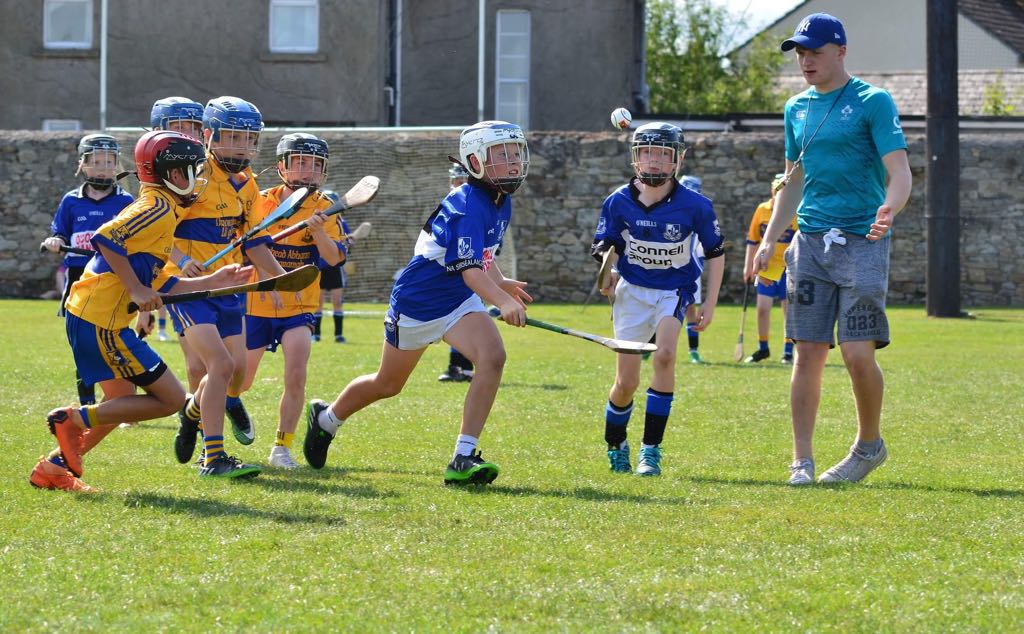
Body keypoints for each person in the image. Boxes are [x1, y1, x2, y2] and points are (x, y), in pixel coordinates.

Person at [303, 120, 532, 485]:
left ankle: (463, 457)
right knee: (388, 384)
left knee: (492, 358)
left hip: (457, 302)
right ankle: (327, 419)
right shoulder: (468, 205)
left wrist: (501, 281)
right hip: (417, 304)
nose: (513, 162)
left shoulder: (499, 200)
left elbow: (481, 257)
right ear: (475, 161)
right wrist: (502, 300)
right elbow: (471, 271)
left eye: (515, 152)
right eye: (501, 155)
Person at [30, 130, 252, 491]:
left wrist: (214, 280)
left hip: (94, 317)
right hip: (100, 320)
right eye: (196, 170)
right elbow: (104, 238)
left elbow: (165, 284)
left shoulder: (163, 208)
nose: (201, 179)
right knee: (171, 400)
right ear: (176, 176)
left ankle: (54, 468)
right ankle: (72, 419)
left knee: (120, 402)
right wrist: (135, 288)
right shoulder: (157, 208)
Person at [755, 13, 911, 485]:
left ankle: (868, 447)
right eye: (800, 53)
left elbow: (900, 171)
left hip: (863, 241)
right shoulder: (795, 109)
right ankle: (801, 460)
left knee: (858, 354)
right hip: (810, 244)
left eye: (815, 52)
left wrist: (890, 208)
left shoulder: (872, 102)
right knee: (806, 353)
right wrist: (769, 239)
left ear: (841, 52)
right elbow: (793, 180)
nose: (806, 61)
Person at [592, 123, 724, 477]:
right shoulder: (618, 201)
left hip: (673, 291)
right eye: (647, 153)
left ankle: (650, 451)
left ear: (677, 160)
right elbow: (608, 246)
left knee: (665, 356)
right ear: (636, 158)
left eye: (663, 154)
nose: (654, 161)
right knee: (627, 383)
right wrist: (607, 272)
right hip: (632, 292)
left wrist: (709, 303)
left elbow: (716, 252)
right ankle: (616, 443)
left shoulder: (695, 205)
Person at [166, 96, 287, 477]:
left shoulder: (248, 184)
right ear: (209, 135)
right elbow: (156, 227)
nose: (241, 147)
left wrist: (281, 277)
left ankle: (191, 413)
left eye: (248, 139)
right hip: (188, 286)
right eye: (232, 137)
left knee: (234, 372)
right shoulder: (192, 177)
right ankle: (213, 458)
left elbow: (252, 242)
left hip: (228, 286)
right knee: (217, 364)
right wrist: (184, 262)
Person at [239, 134, 344, 469]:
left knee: (296, 374)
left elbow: (335, 259)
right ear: (282, 165)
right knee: (240, 380)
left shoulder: (325, 208)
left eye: (315, 164)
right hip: (256, 303)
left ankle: (281, 448)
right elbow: (251, 248)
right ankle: (204, 415)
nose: (308, 170)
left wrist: (320, 232)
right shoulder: (262, 201)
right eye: (299, 161)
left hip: (299, 308)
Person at [41, 134, 134, 406]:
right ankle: (87, 406)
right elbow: (59, 232)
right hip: (77, 279)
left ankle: (124, 400)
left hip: (111, 279)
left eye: (109, 161)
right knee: (82, 346)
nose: (104, 167)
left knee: (116, 341)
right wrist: (56, 241)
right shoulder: (71, 201)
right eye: (96, 162)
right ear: (82, 164)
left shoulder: (125, 200)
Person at [742, 173, 798, 364]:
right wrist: (748, 266)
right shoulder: (762, 209)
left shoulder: (795, 211)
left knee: (788, 310)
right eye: (776, 192)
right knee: (762, 309)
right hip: (767, 266)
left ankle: (788, 351)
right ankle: (763, 348)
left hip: (788, 268)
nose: (779, 196)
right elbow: (753, 240)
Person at [438, 163, 475, 382]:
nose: (459, 184)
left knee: (463, 319)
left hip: (471, 271)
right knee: (454, 320)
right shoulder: (450, 204)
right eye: (456, 180)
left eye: (463, 180)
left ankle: (464, 368)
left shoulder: (475, 205)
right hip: (449, 273)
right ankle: (458, 367)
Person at [313, 190, 353, 344]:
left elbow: (345, 244)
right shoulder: (316, 220)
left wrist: (349, 243)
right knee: (319, 302)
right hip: (320, 267)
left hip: (335, 267)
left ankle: (338, 335)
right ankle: (316, 334)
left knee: (337, 301)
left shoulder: (342, 223)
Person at [679, 174, 707, 364]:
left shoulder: (702, 214)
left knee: (690, 308)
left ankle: (693, 350)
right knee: (660, 308)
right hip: (669, 267)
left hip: (691, 269)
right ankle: (651, 345)